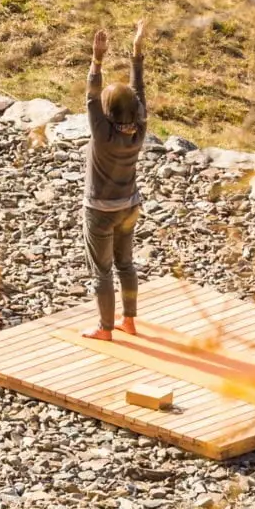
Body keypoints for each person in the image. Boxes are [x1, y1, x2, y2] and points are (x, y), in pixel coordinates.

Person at [83, 23, 149, 340]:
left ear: (107, 113)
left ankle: (105, 329)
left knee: (102, 270)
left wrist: (97, 59)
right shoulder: (140, 129)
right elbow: (139, 94)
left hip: (100, 211)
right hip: (130, 205)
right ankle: (130, 321)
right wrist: (136, 52)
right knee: (126, 264)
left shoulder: (102, 135)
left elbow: (91, 95)